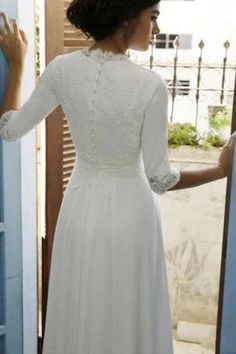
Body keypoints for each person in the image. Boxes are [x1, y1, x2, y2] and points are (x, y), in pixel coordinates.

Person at [0, 1, 235, 353]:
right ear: (127, 17)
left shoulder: (61, 70)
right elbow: (160, 179)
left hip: (79, 209)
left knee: (84, 307)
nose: (156, 29)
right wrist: (219, 170)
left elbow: (10, 129)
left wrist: (18, 65)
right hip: (133, 215)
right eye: (153, 17)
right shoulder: (150, 85)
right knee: (128, 311)